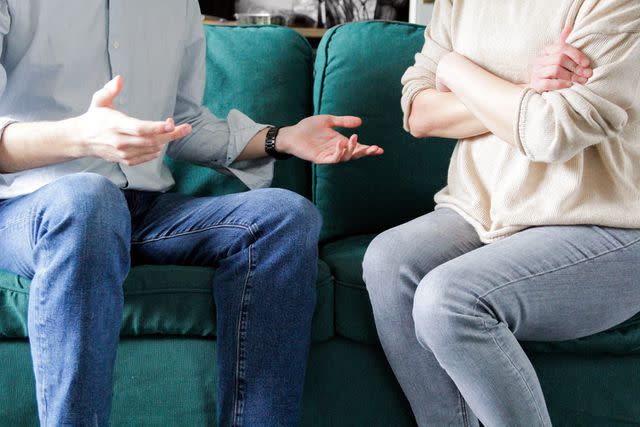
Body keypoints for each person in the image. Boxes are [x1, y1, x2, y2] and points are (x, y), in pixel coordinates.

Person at [0, 1, 384, 426]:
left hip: (141, 210)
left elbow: (183, 124)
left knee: (286, 216)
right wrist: (79, 137)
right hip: (30, 207)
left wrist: (281, 138)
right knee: (87, 199)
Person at [363, 0, 640, 426]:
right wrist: (527, 89)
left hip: (606, 219)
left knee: (450, 301)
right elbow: (419, 113)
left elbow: (551, 132)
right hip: (484, 209)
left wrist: (454, 71)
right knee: (388, 260)